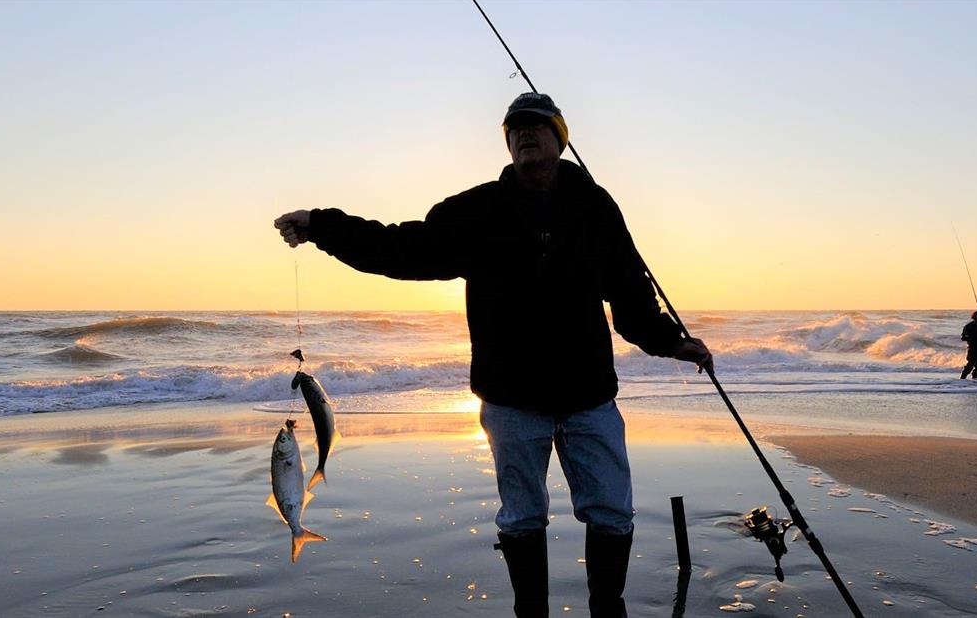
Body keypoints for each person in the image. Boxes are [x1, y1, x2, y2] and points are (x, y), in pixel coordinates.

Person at [273, 92, 711, 618]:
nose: (525, 133)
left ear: (561, 136)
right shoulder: (477, 211)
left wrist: (672, 343)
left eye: (537, 125)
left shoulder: (595, 207)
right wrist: (321, 225)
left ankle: (607, 610)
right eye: (515, 128)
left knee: (612, 512)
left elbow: (630, 293)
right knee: (523, 517)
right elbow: (398, 248)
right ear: (507, 143)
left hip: (588, 394)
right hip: (511, 399)